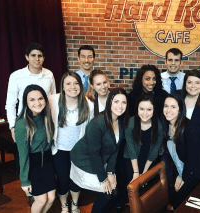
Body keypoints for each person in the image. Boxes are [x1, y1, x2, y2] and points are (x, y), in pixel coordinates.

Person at [70, 88, 129, 213]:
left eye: (124, 102)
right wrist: (103, 178)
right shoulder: (97, 123)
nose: (120, 106)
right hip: (84, 159)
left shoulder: (121, 121)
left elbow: (115, 149)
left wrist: (111, 172)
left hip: (100, 158)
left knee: (115, 191)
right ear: (110, 103)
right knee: (107, 194)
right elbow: (94, 154)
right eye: (116, 101)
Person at [49, 72, 94, 213]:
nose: (72, 87)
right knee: (62, 179)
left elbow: (89, 131)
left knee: (76, 179)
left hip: (78, 151)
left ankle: (74, 204)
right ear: (62, 86)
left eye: (76, 83)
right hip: (59, 149)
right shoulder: (53, 101)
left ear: (81, 86)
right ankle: (64, 205)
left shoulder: (89, 105)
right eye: (68, 83)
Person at [162, 93, 200, 210]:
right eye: (166, 106)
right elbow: (174, 156)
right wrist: (177, 176)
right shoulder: (166, 124)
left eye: (173, 107)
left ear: (180, 109)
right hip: (184, 168)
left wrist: (183, 178)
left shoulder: (188, 126)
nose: (168, 110)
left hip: (199, 168)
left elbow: (192, 157)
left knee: (180, 201)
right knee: (175, 199)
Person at [117, 93, 164, 210]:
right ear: (137, 108)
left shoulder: (158, 126)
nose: (145, 113)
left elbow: (154, 151)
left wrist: (144, 173)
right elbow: (131, 149)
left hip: (148, 158)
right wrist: (136, 172)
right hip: (131, 158)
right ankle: (127, 205)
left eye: (149, 109)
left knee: (146, 184)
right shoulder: (130, 123)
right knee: (131, 184)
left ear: (154, 110)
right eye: (141, 109)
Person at [15, 84, 56, 213]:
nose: (37, 103)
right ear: (26, 102)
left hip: (47, 162)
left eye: (40, 98)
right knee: (41, 200)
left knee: (51, 198)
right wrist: (25, 180)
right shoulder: (22, 124)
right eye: (32, 99)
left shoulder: (47, 117)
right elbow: (23, 155)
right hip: (32, 164)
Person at [6, 42, 56, 142]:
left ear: (43, 58)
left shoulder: (49, 74)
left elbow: (53, 100)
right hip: (25, 122)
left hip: (44, 122)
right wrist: (12, 127)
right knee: (26, 153)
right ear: (27, 57)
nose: (37, 59)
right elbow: (10, 104)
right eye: (33, 55)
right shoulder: (16, 76)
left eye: (39, 56)